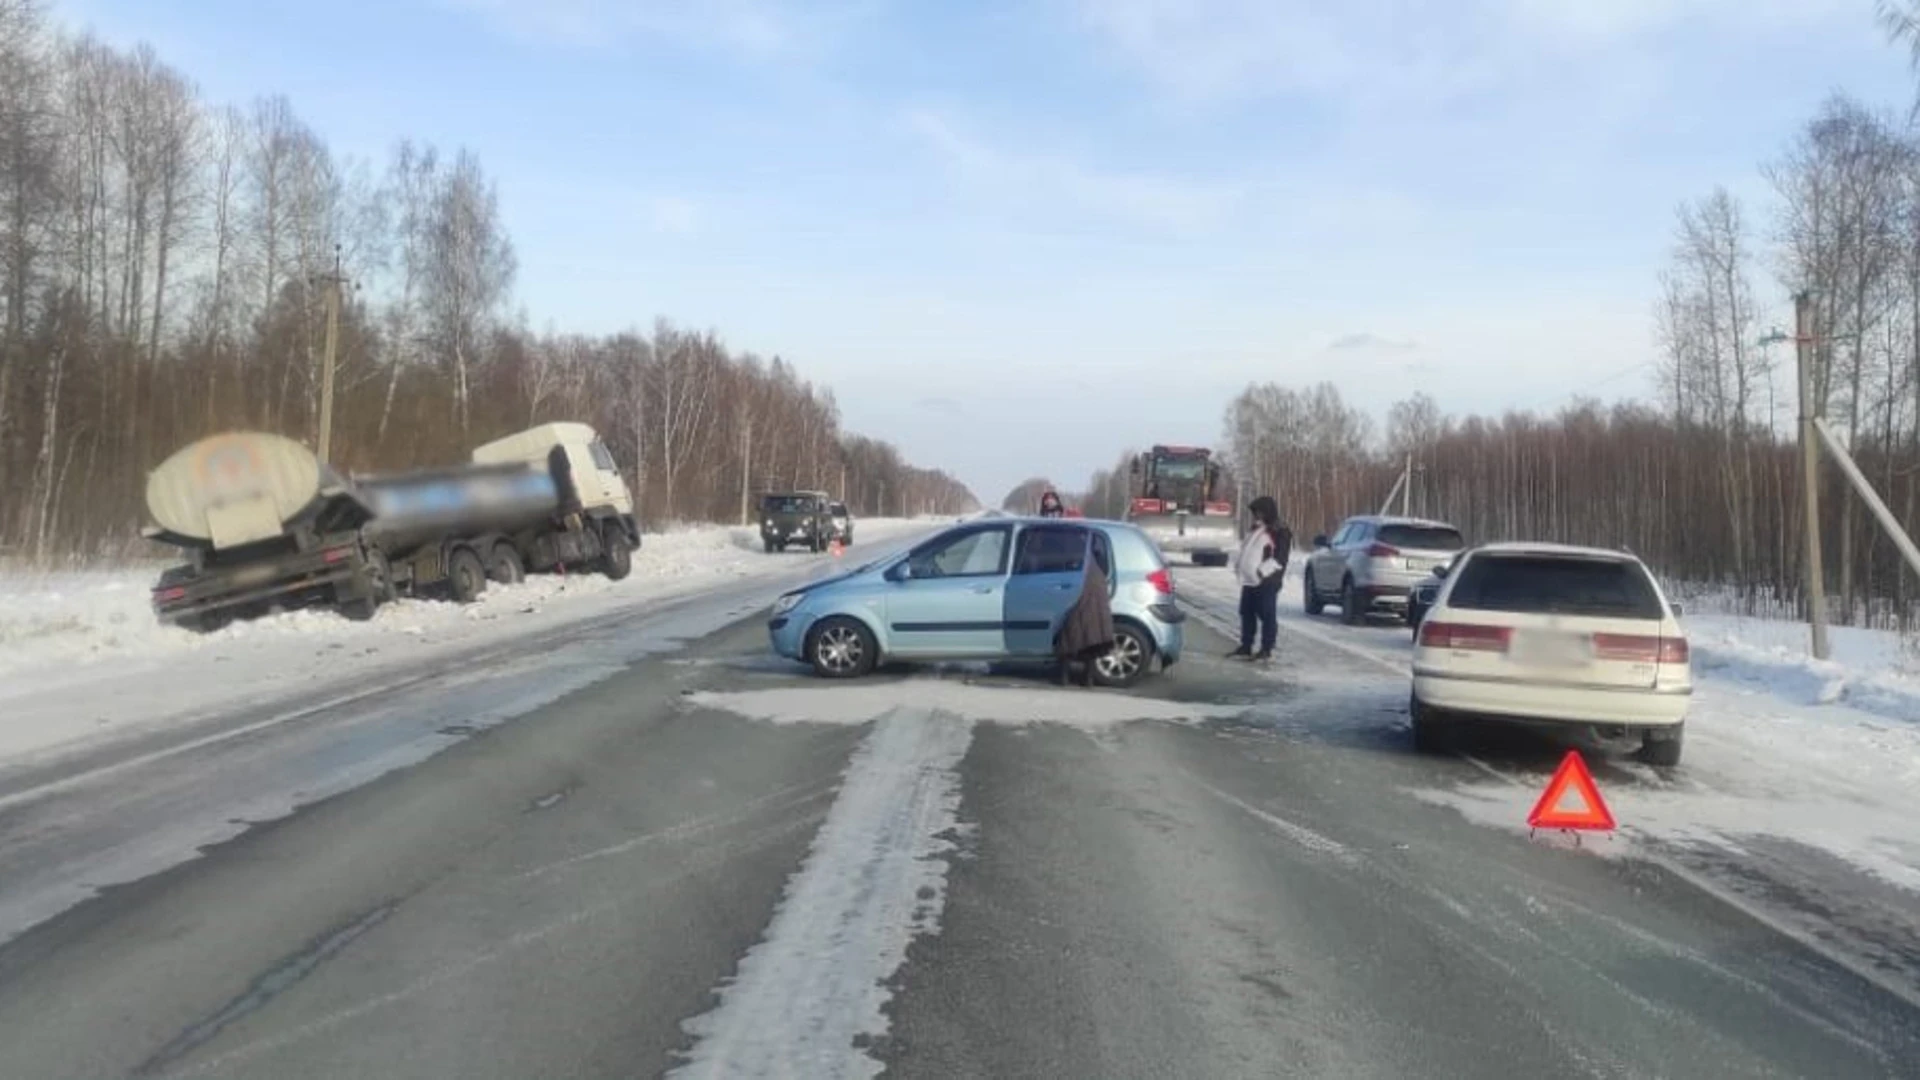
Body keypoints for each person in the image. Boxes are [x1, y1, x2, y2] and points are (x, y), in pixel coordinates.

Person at [1229, 496, 1291, 661]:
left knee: (1267, 614)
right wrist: (1240, 568)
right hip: (1249, 579)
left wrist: (1262, 573)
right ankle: (1246, 646)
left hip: (1267, 580)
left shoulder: (1279, 530)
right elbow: (1247, 550)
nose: (1256, 515)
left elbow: (1280, 558)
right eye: (1255, 512)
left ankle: (1266, 649)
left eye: (1259, 512)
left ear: (1268, 511)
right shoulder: (1256, 528)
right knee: (1247, 612)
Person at [1057, 535, 1116, 685]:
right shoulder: (1092, 554)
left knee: (1068, 636)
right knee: (1091, 640)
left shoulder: (1072, 554)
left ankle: (1064, 677)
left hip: (1080, 599)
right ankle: (1087, 679)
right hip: (1095, 602)